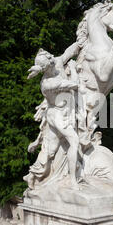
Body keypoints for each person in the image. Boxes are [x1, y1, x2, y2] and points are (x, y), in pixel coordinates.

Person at [24, 48, 80, 190]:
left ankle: (32, 176)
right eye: (50, 59)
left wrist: (80, 44)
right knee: (74, 141)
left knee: (50, 150)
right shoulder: (48, 84)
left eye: (51, 57)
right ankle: (73, 180)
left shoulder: (56, 62)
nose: (53, 59)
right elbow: (75, 84)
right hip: (58, 115)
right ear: (46, 67)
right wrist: (73, 69)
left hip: (58, 113)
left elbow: (69, 52)